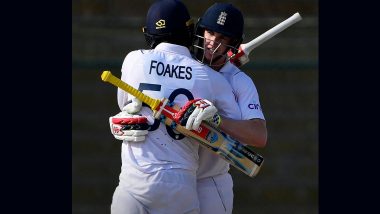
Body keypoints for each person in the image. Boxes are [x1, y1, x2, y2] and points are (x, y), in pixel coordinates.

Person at [108, 0, 241, 213]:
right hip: (181, 186)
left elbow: (126, 105)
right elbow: (236, 139)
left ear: (149, 34)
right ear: (190, 31)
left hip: (134, 181)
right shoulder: (212, 78)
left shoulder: (133, 60)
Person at [191, 3, 268, 214]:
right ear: (200, 31)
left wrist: (218, 120)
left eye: (222, 38)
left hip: (211, 183)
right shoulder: (182, 65)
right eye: (210, 32)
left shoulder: (240, 81)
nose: (212, 42)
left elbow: (259, 136)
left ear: (233, 43)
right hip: (173, 176)